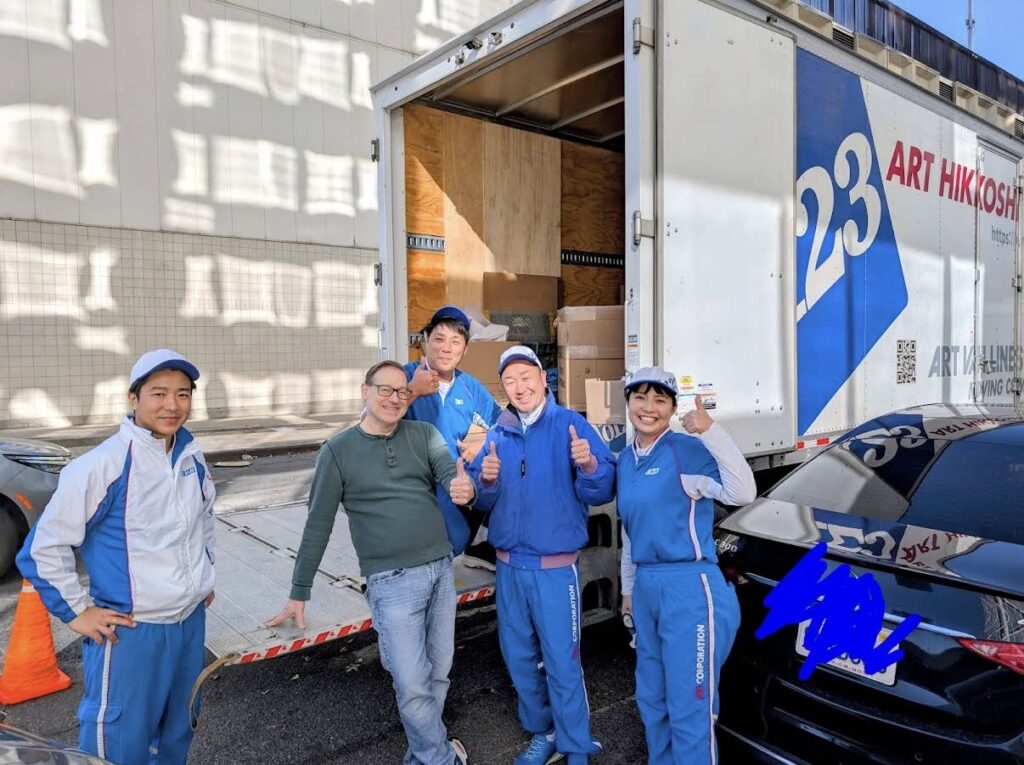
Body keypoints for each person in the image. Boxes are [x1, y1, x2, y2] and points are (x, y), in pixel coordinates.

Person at [266, 360, 476, 765]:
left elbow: (450, 474)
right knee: (412, 684)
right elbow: (317, 525)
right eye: (385, 389)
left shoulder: (423, 434)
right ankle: (442, 759)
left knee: (438, 674)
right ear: (365, 391)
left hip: (439, 572)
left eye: (401, 391)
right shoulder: (337, 451)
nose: (394, 398)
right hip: (391, 583)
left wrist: (461, 488)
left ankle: (422, 756)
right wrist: (299, 591)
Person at [17, 349, 216, 765]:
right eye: (159, 393)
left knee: (177, 733)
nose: (172, 405)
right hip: (132, 631)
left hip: (189, 625)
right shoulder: (101, 465)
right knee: (118, 746)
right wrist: (77, 613)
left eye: (183, 394)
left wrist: (204, 578)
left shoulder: (191, 457)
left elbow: (202, 522)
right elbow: (42, 549)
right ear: (134, 398)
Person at [467, 345, 616, 765]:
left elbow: (602, 489)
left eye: (525, 377)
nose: (519, 387)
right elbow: (481, 496)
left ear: (542, 377)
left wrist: (589, 467)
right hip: (509, 567)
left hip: (555, 571)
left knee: (562, 662)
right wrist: (487, 480)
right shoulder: (499, 432)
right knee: (519, 658)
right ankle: (543, 733)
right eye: (509, 381)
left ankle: (575, 744)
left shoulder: (571, 425)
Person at [616, 367, 756, 765]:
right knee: (653, 701)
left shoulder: (685, 450)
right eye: (640, 398)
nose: (648, 408)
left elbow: (743, 492)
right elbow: (630, 533)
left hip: (690, 590)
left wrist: (711, 431)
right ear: (628, 403)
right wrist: (628, 591)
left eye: (660, 400)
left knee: (690, 709)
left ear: (673, 408)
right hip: (646, 589)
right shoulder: (626, 460)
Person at [404, 305, 502, 568]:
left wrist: (479, 442)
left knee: (507, 466)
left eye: (455, 341)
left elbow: (503, 423)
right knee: (444, 543)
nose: (446, 348)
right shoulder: (404, 375)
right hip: (415, 483)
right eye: (439, 339)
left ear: (465, 349)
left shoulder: (470, 386)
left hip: (455, 477)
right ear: (426, 341)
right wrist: (413, 390)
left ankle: (483, 545)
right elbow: (372, 417)